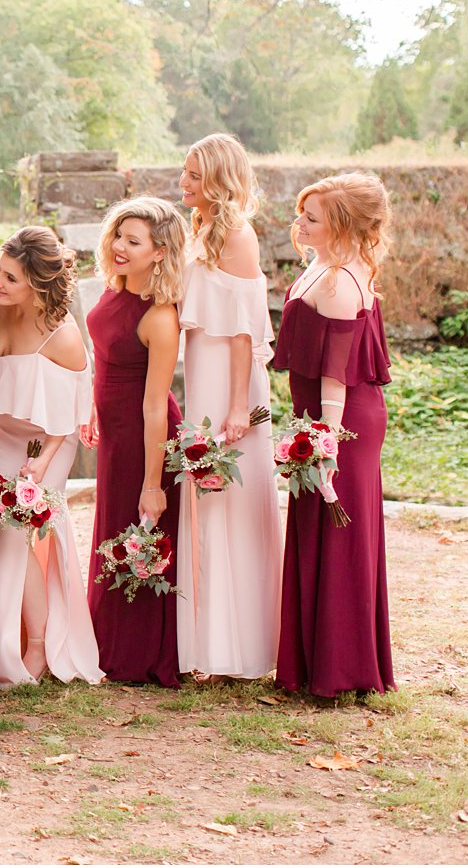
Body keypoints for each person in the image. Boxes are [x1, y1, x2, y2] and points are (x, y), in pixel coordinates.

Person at [273, 173, 394, 697]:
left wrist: (325, 441)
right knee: (317, 527)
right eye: (302, 212)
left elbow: (335, 376)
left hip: (340, 420)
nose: (300, 223)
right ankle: (312, 661)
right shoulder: (322, 266)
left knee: (339, 532)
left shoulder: (341, 281)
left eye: (312, 217)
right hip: (320, 414)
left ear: (341, 225)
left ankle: (341, 668)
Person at [174, 135, 283, 680]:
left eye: (194, 176)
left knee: (231, 502)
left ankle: (239, 647)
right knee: (204, 499)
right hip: (202, 374)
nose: (184, 184)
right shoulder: (197, 228)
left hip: (232, 386)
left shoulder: (238, 235)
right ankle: (207, 644)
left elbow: (244, 331)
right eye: (185, 173)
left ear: (218, 179)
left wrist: (239, 408)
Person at [0, 226, 102, 687]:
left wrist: (40, 465)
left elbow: (68, 413)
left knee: (14, 534)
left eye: (10, 278)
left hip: (42, 441)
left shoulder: (63, 337)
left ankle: (33, 645)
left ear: (36, 285)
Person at [82, 196, 186, 687]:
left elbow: (153, 405)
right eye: (118, 236)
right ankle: (104, 642)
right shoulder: (115, 285)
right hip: (113, 432)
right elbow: (102, 355)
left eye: (133, 241)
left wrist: (153, 483)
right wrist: (90, 406)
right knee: (110, 530)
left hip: (146, 439)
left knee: (137, 532)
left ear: (160, 251)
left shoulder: (160, 317)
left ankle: (134, 655)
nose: (119, 247)